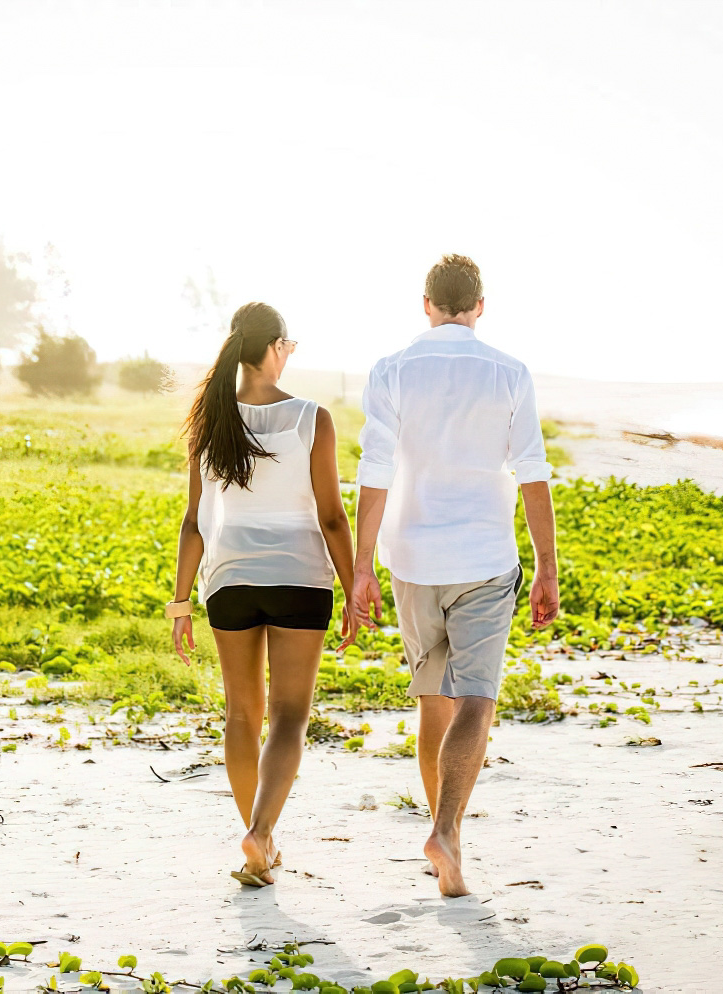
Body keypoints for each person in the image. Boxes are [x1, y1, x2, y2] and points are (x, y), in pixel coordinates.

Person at [347, 254, 561, 898]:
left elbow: (375, 469)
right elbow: (532, 471)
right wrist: (548, 568)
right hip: (485, 561)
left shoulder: (392, 371)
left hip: (411, 560)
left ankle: (451, 843)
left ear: (426, 304)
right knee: (476, 699)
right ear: (479, 307)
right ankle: (447, 832)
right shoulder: (508, 372)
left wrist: (361, 567)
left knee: (433, 703)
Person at [166, 302, 357, 888]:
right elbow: (330, 516)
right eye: (289, 344)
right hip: (300, 578)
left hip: (228, 581)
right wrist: (355, 590)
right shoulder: (310, 418)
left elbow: (193, 522)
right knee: (290, 717)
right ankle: (262, 831)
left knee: (242, 715)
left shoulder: (209, 419)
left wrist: (180, 604)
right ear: (275, 346)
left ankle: (256, 839)